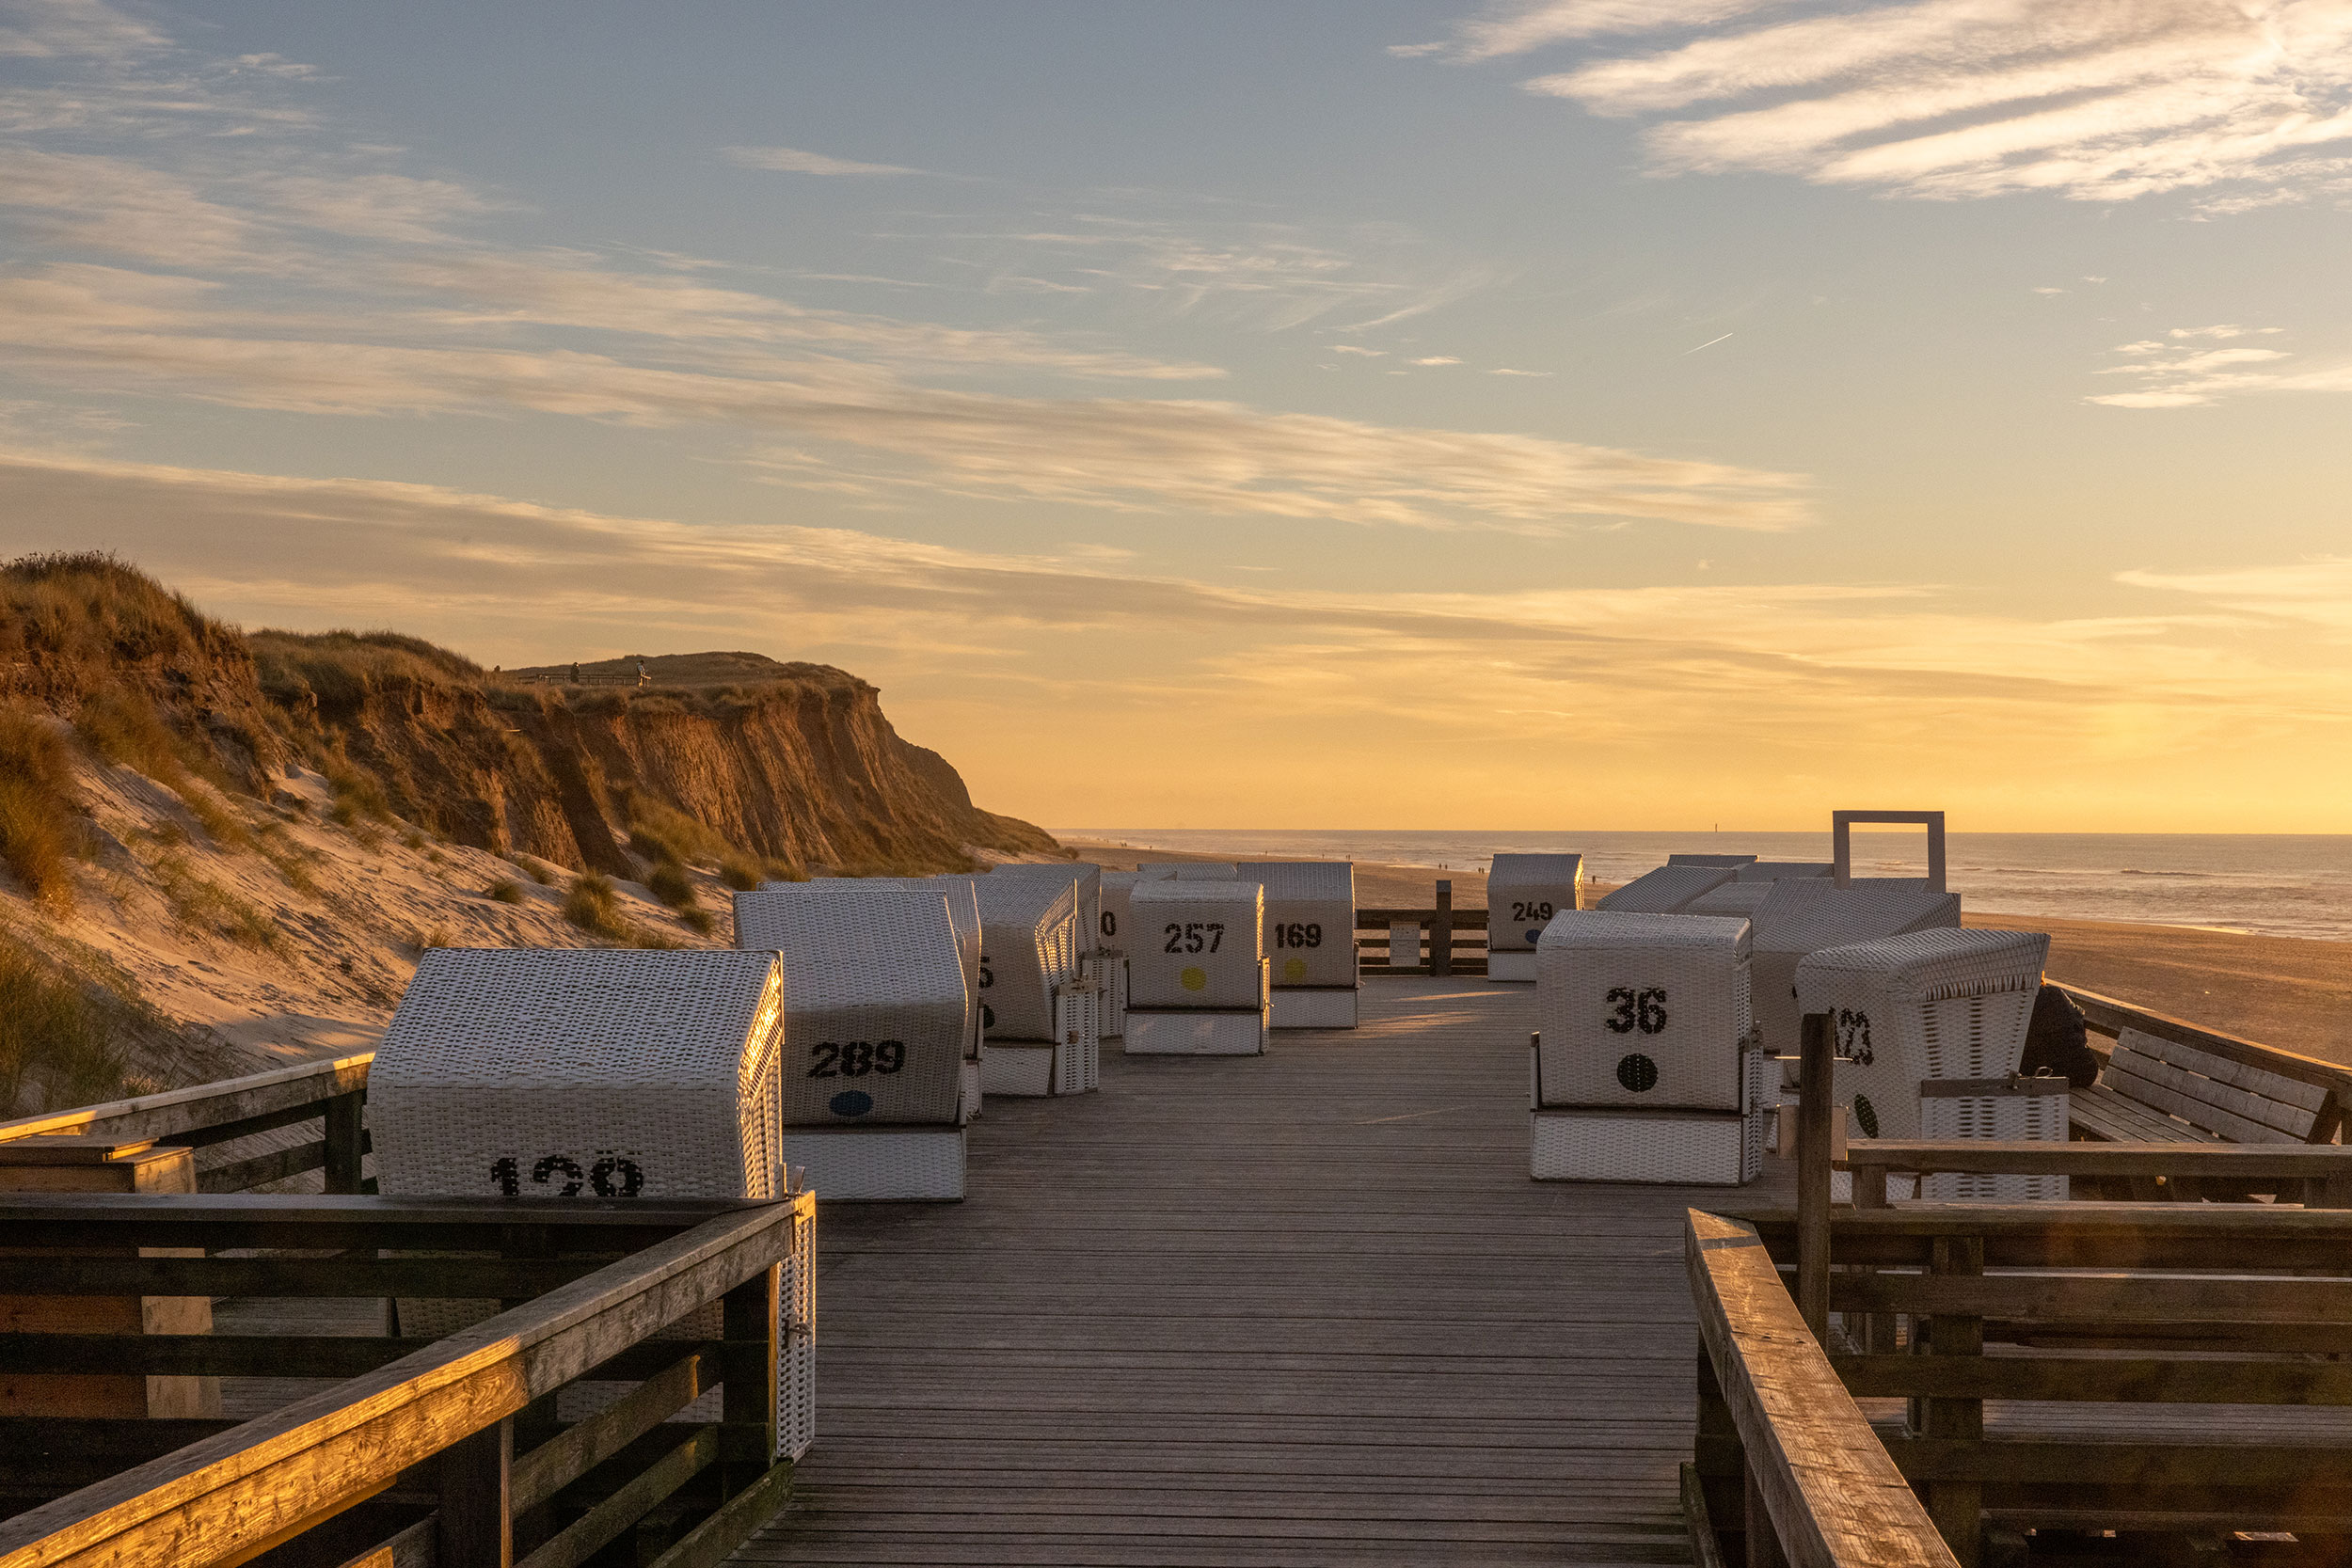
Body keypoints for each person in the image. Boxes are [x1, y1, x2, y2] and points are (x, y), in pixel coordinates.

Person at [2019, 982, 2100, 1087]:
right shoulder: (2055, 993)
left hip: (2057, 1075)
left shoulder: (2020, 1003)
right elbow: (2079, 1022)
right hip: (2086, 1072)